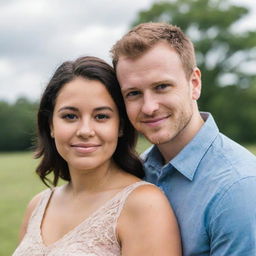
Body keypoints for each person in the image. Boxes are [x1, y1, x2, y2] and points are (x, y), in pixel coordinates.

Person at [110, 22, 256, 255]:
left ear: (194, 84)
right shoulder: (136, 171)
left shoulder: (238, 188)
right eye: (134, 93)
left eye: (162, 87)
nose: (149, 107)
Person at [13, 56, 181, 256]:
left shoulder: (143, 205)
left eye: (101, 116)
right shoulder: (37, 206)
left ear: (120, 126)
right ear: (50, 125)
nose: (85, 130)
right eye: (70, 116)